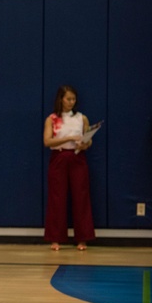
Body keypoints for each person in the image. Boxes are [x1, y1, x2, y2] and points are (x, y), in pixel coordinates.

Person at [43, 85, 95, 251]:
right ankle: (55, 238)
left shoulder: (82, 118)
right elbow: (47, 141)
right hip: (59, 158)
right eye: (68, 99)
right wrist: (69, 138)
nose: (71, 102)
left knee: (81, 196)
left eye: (74, 99)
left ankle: (83, 238)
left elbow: (89, 141)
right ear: (61, 99)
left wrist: (84, 143)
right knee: (57, 197)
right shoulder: (51, 119)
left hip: (77, 157)